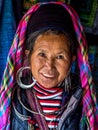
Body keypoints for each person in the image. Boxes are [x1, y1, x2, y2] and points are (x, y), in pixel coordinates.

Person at [0, 1, 98, 130]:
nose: (49, 66)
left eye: (60, 57)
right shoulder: (12, 100)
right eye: (42, 54)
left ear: (72, 59)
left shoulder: (83, 103)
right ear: (28, 55)